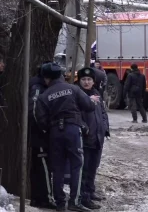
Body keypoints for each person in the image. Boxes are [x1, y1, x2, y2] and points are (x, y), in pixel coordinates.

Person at [35, 62, 99, 212]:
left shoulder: (44, 96)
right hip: (73, 130)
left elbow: (41, 120)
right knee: (77, 165)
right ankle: (74, 201)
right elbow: (89, 106)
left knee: (57, 168)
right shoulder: (73, 89)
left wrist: (50, 129)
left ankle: (59, 203)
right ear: (61, 76)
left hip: (55, 133)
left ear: (47, 78)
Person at [76, 67, 110, 209]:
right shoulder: (78, 95)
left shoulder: (97, 93)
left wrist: (105, 128)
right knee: (85, 169)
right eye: (83, 79)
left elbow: (103, 113)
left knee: (93, 167)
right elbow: (76, 115)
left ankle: (90, 191)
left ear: (93, 81)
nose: (86, 82)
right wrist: (85, 128)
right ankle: (84, 197)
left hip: (98, 138)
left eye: (89, 79)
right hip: (86, 138)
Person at [28, 61, 56, 209]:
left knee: (40, 166)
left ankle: (38, 197)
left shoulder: (41, 85)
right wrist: (44, 128)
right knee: (43, 165)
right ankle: (45, 197)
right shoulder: (37, 86)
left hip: (40, 133)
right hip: (39, 134)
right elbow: (33, 110)